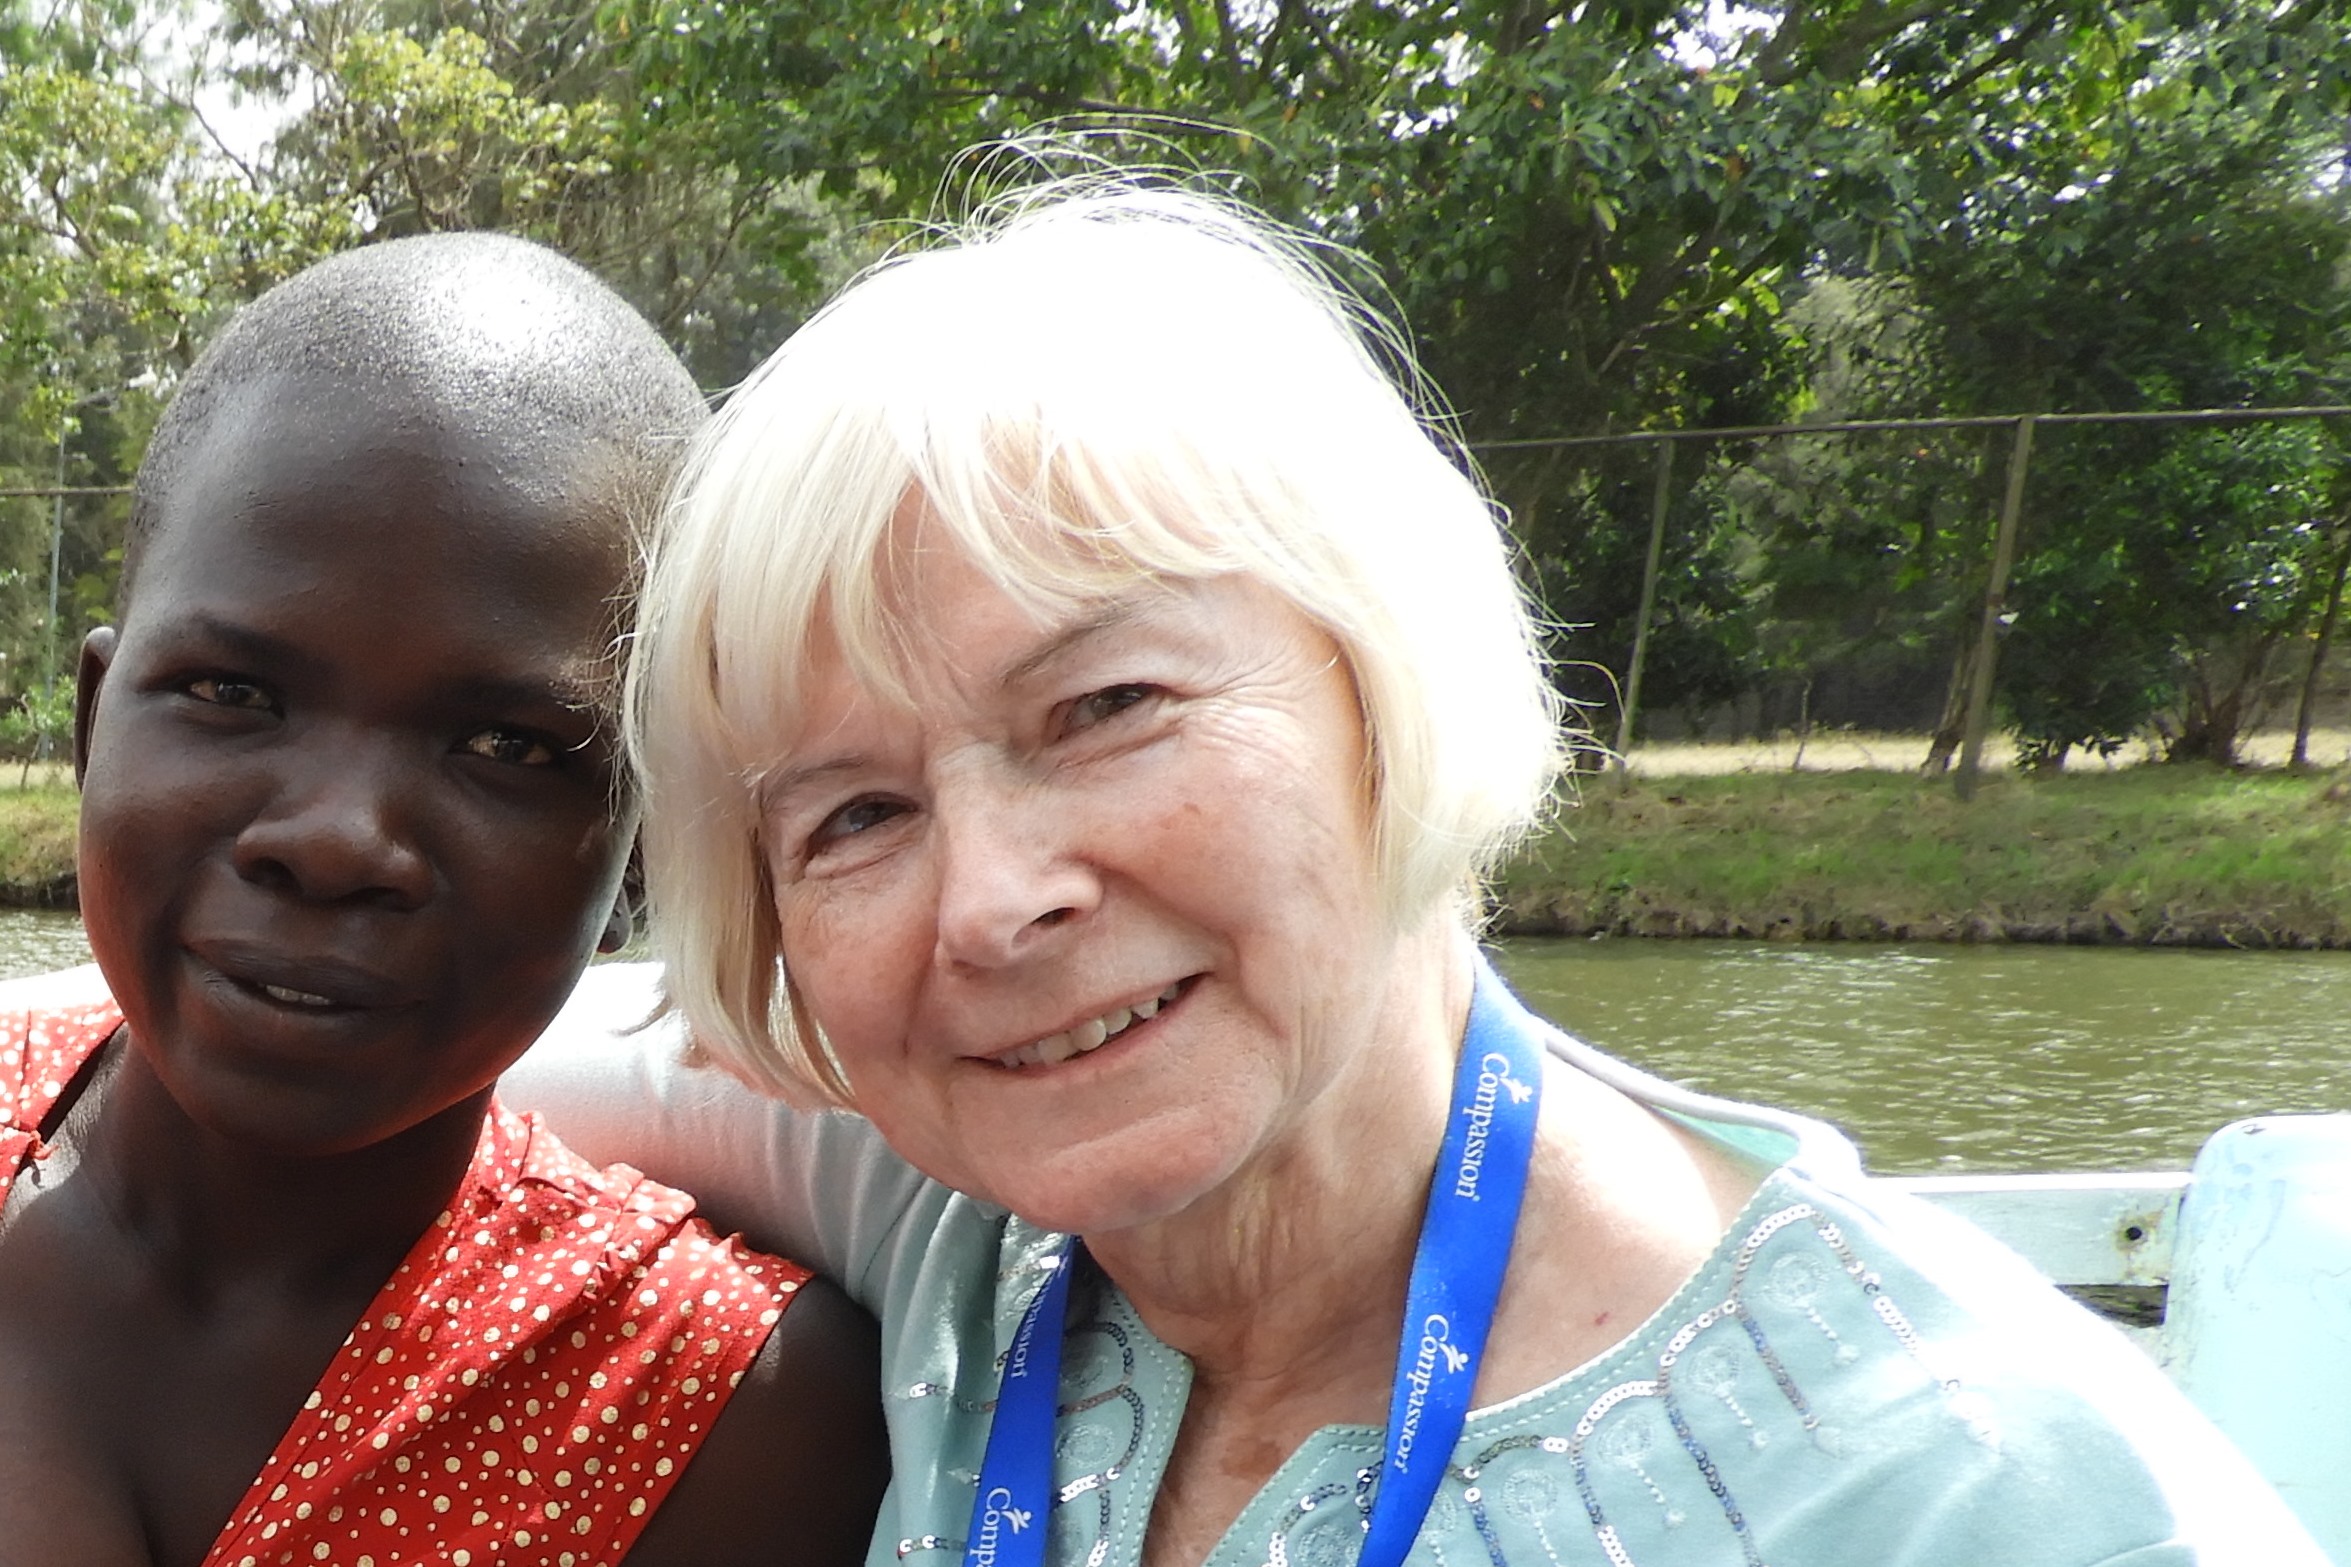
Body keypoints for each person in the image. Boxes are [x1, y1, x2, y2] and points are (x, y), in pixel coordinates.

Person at [502, 183, 2324, 1566]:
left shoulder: (1964, 1483)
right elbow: (492, 1051)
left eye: (1108, 706)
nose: (990, 902)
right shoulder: (959, 1212)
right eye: (853, 819)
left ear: (1387, 682)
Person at [0, 233, 887, 1567]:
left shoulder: (723, 1420)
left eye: (508, 748)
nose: (337, 842)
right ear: (93, 722)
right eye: (233, 692)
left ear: (644, 851)